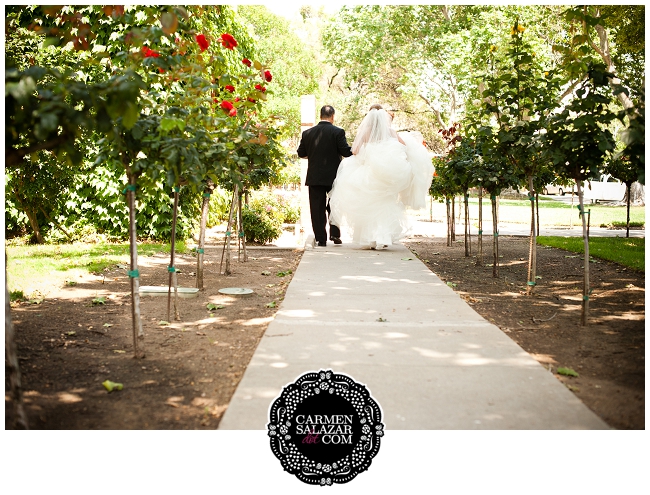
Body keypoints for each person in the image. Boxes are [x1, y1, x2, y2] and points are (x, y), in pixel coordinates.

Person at [329, 105, 434, 249]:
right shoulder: (391, 132)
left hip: (370, 174)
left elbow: (354, 151)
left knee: (369, 205)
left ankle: (369, 239)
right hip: (388, 176)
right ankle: (383, 237)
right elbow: (404, 146)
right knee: (386, 204)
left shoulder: (365, 132)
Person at [297, 105, 353, 247]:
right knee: (334, 205)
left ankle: (321, 238)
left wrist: (313, 155)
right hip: (334, 176)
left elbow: (301, 153)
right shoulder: (338, 132)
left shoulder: (307, 133)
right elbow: (346, 152)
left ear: (320, 116)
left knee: (316, 208)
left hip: (315, 176)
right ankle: (334, 234)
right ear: (332, 116)